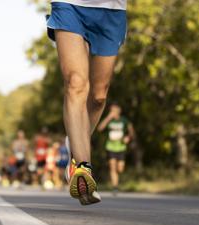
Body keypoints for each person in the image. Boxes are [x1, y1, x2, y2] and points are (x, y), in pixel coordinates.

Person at [46, 0, 127, 205]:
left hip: (111, 10)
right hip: (69, 5)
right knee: (76, 83)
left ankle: (73, 143)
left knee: (99, 96)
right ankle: (81, 165)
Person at [98, 102, 134, 194]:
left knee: (120, 168)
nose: (112, 112)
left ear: (119, 110)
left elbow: (131, 132)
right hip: (110, 146)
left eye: (114, 110)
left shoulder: (124, 120)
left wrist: (128, 138)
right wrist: (108, 117)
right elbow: (100, 128)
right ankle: (115, 187)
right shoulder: (109, 120)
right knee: (112, 167)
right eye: (111, 110)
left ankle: (116, 182)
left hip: (121, 147)